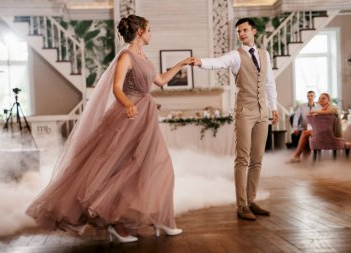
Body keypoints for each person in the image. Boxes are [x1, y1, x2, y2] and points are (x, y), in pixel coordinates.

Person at [26, 14, 195, 243]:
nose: (151, 34)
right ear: (140, 32)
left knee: (156, 167)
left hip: (145, 116)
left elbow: (161, 81)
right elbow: (117, 88)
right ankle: (115, 224)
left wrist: (182, 64)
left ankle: (161, 219)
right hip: (129, 116)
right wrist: (127, 105)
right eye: (149, 30)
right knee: (119, 169)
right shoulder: (126, 56)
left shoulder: (143, 56)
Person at [193, 18, 278, 221]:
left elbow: (269, 84)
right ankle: (241, 205)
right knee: (243, 158)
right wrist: (201, 62)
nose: (241, 34)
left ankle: (251, 200)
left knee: (257, 159)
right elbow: (218, 63)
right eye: (239, 31)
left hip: (262, 111)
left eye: (245, 30)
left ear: (254, 31)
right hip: (244, 111)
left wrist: (273, 107)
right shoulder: (235, 55)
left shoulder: (265, 55)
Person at [288, 93, 341, 163]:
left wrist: (316, 112)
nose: (320, 99)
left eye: (323, 98)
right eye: (319, 98)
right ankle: (303, 157)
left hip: (331, 133)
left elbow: (334, 112)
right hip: (324, 132)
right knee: (306, 133)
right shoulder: (321, 109)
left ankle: (297, 156)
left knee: (305, 133)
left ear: (328, 100)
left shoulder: (332, 107)